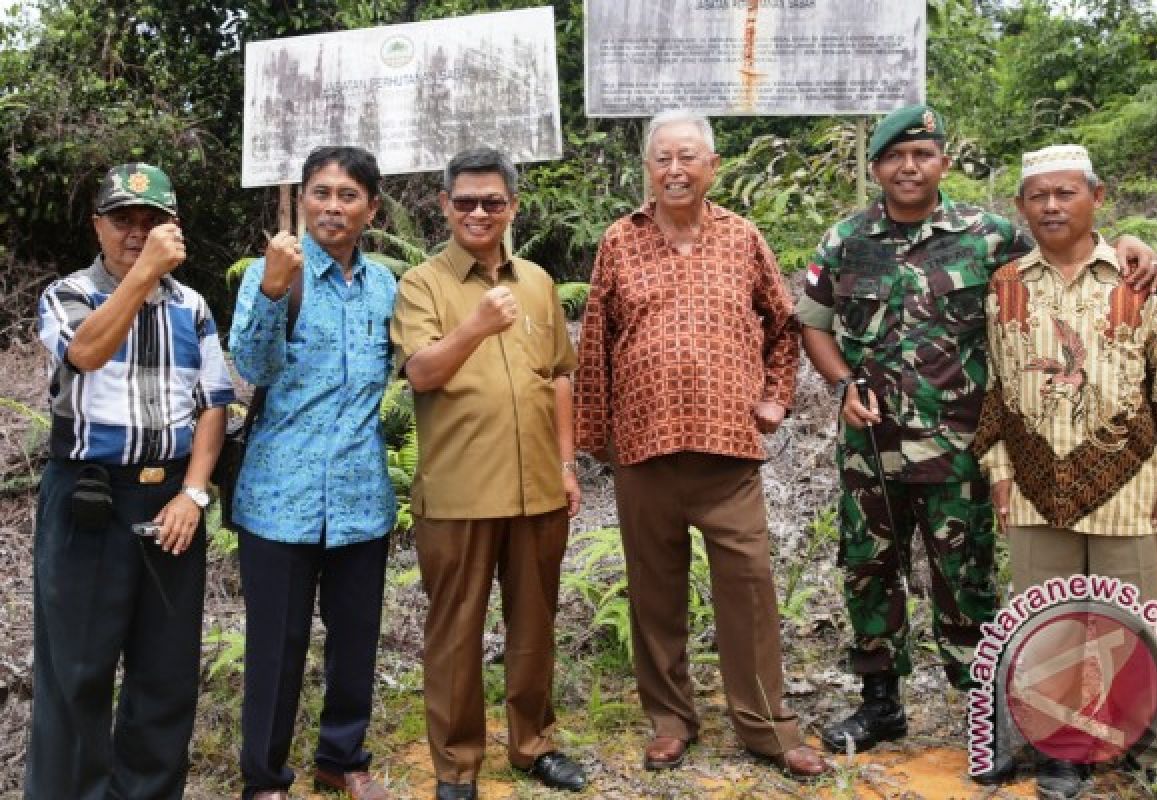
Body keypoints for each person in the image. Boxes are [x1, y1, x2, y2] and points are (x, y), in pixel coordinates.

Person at [796, 104, 1157, 761]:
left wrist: (1131, 248)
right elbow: (815, 324)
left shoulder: (991, 236)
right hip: (870, 453)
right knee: (866, 573)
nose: (908, 167)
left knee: (964, 582)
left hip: (959, 450)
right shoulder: (844, 241)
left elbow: (1066, 257)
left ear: (943, 160)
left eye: (923, 154)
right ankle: (880, 705)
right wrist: (840, 384)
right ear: (876, 166)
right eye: (894, 157)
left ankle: (985, 710)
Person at [574, 110, 830, 780]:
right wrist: (597, 439)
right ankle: (670, 720)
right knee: (654, 593)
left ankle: (767, 726)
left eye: (688, 157)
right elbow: (595, 341)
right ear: (648, 169)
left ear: (712, 166)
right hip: (644, 450)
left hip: (728, 452)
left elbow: (784, 322)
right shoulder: (618, 242)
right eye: (662, 159)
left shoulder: (742, 238)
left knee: (748, 587)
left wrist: (777, 397)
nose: (675, 170)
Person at [973, 144, 1157, 799]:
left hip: (1134, 487)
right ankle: (1061, 753)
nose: (1051, 205)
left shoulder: (1138, 282)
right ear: (1020, 207)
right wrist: (998, 469)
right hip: (1038, 488)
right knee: (1051, 628)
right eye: (1038, 195)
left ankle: (1143, 752)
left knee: (1136, 622)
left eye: (1066, 193)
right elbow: (996, 389)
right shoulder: (1006, 285)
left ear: (1097, 199)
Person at [27, 163, 233, 799]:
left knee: (165, 673)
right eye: (124, 220)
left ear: (173, 225)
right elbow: (85, 353)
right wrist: (143, 277)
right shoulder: (67, 295)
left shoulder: (192, 307)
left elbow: (214, 405)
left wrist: (194, 494)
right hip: (88, 502)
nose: (137, 233)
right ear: (99, 225)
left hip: (170, 499)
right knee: (77, 674)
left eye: (152, 221)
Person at [392, 146, 587, 800]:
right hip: (458, 494)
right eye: (466, 201)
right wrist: (475, 324)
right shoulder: (422, 284)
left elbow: (559, 375)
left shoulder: (536, 281)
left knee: (534, 627)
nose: (480, 212)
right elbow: (421, 372)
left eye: (493, 202)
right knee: (455, 634)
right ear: (445, 206)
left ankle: (534, 745)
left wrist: (566, 463)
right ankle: (456, 766)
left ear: (512, 207)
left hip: (537, 488)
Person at [229, 146, 396, 800]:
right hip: (279, 497)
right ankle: (264, 777)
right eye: (321, 192)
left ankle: (342, 759)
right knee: (276, 647)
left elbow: (407, 366)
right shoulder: (279, 274)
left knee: (355, 639)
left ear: (370, 208)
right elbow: (255, 367)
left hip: (360, 496)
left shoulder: (385, 285)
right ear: (303, 199)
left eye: (348, 195)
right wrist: (271, 289)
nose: (333, 206)